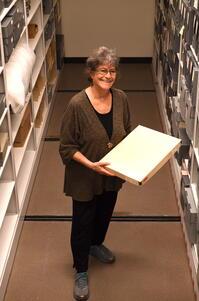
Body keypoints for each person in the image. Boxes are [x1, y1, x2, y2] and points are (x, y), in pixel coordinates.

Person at [59, 46, 132, 301]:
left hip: (111, 175)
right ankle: (80, 270)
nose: (108, 76)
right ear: (91, 73)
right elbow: (66, 147)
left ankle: (95, 244)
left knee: (104, 214)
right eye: (103, 70)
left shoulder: (121, 98)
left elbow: (129, 134)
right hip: (85, 177)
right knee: (83, 222)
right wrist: (90, 164)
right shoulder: (77, 104)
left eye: (113, 71)